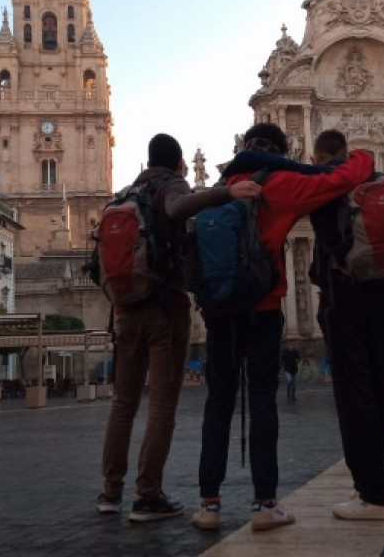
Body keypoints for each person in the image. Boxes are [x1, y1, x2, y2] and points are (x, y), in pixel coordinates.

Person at [192, 122, 374, 532]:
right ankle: (265, 505)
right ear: (281, 149)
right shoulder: (282, 182)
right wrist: (363, 155)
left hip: (219, 311)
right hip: (263, 307)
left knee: (218, 403)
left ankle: (208, 505)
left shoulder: (223, 184)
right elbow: (344, 176)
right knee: (261, 401)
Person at [97, 133, 262, 522]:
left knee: (123, 404)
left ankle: (109, 492)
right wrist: (227, 195)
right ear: (178, 163)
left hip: (124, 310)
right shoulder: (170, 184)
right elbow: (177, 207)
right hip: (163, 311)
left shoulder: (125, 192)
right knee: (161, 406)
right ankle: (147, 496)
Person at [308, 129, 384, 522]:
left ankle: (374, 494)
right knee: (380, 390)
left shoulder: (326, 185)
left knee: (354, 394)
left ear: (317, 156)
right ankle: (372, 482)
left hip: (344, 299)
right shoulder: (381, 181)